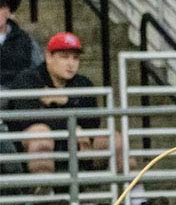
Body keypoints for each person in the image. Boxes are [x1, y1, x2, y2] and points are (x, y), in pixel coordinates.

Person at [5, 32, 103, 178]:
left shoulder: (84, 83)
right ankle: (45, 193)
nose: (71, 64)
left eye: (75, 58)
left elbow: (93, 121)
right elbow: (27, 120)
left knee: (113, 139)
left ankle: (137, 196)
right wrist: (72, 126)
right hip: (30, 147)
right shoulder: (27, 80)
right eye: (64, 57)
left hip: (76, 143)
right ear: (49, 57)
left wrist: (66, 101)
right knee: (40, 135)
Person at [0, 0, 44, 87]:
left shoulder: (26, 41)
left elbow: (40, 72)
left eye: (0, 7)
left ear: (8, 11)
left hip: (19, 98)